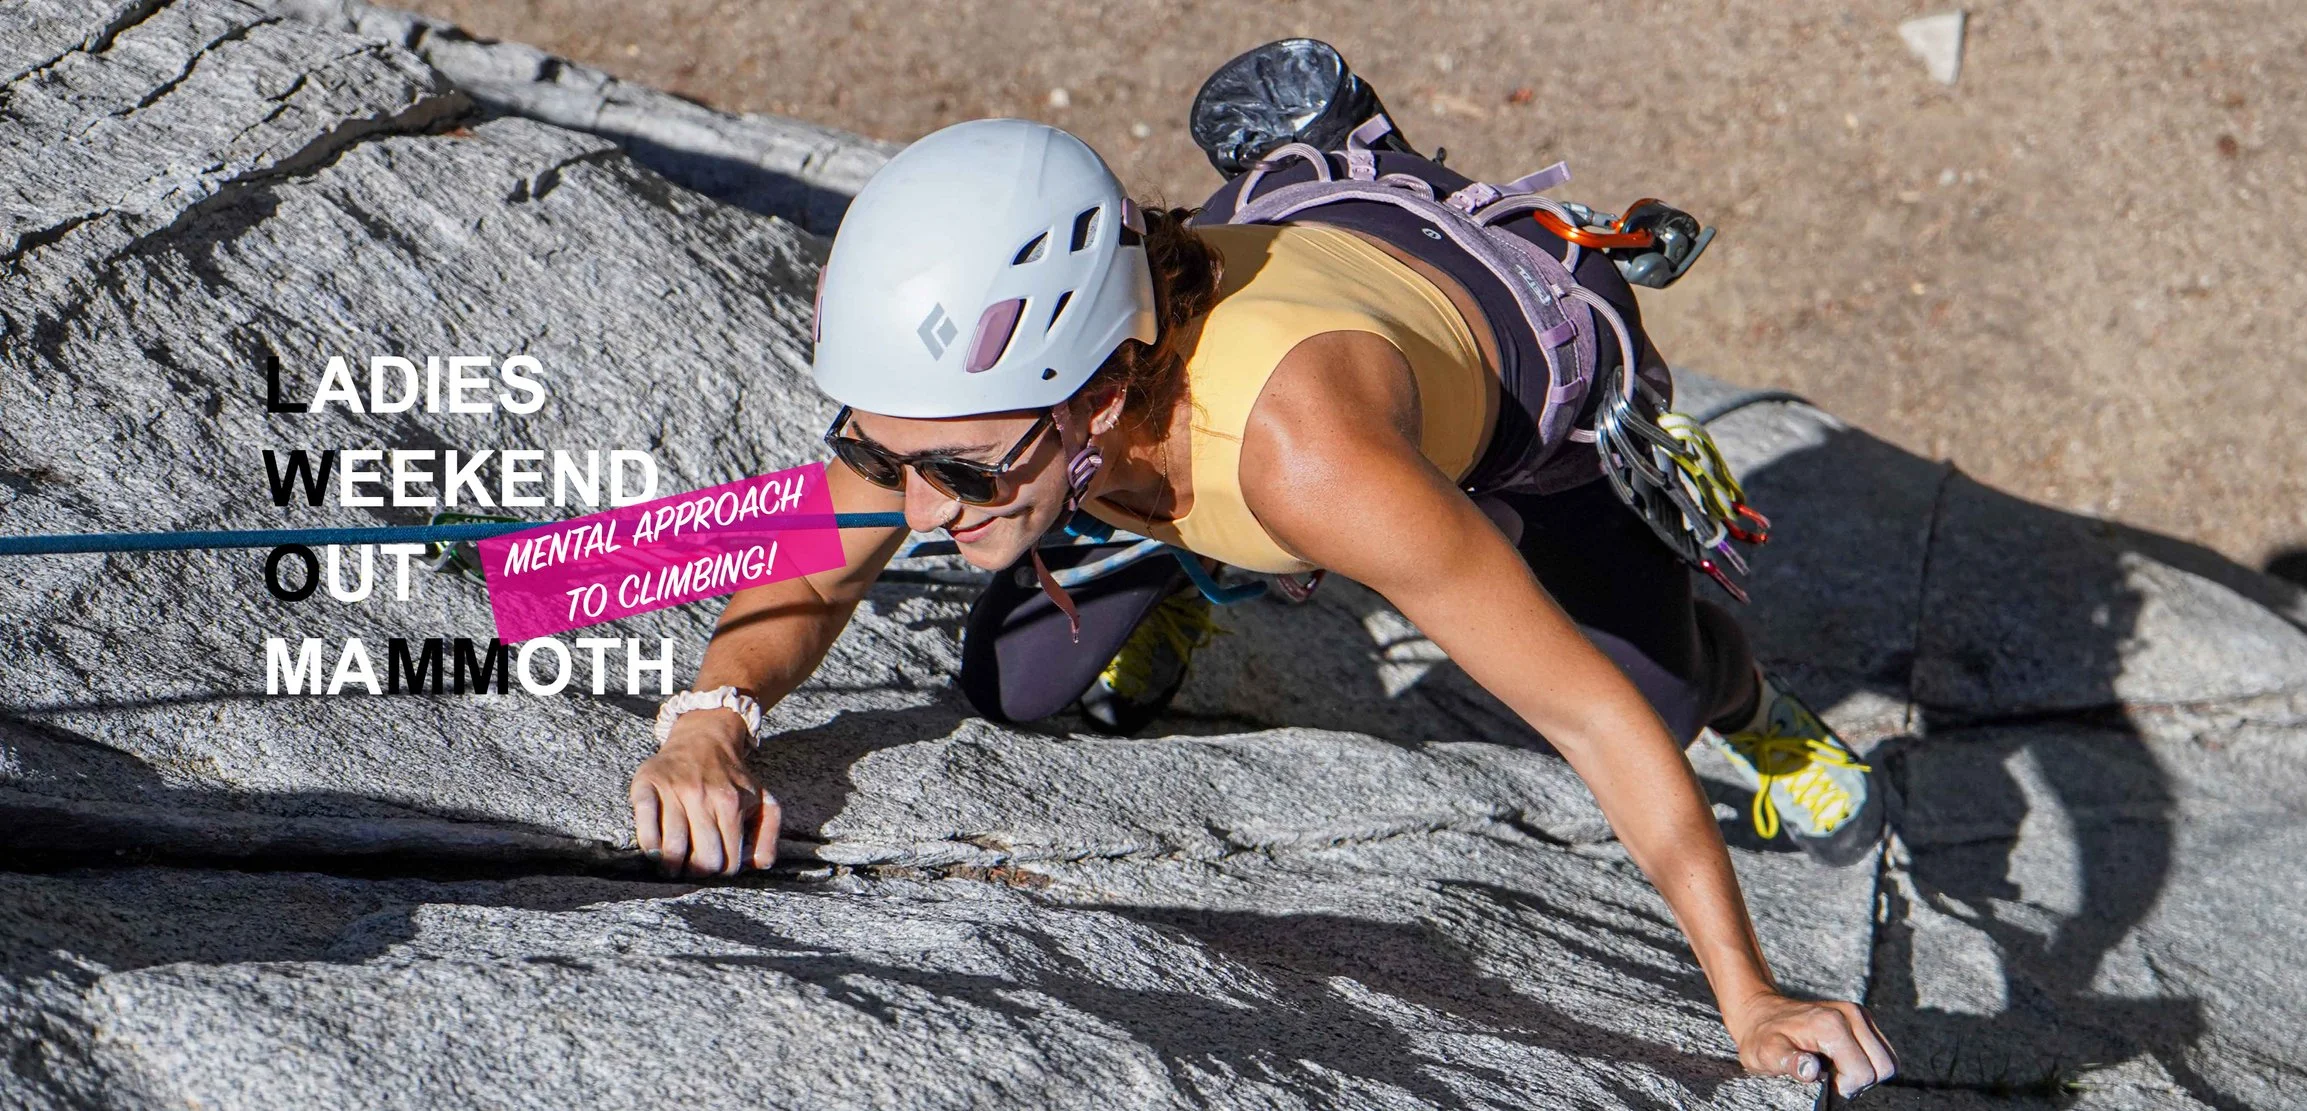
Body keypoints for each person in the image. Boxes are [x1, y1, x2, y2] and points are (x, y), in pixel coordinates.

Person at [628, 117, 1897, 1096]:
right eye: (885, 454)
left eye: (958, 473)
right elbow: (805, 560)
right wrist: (708, 722)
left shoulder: (1312, 460)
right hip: (1181, 420)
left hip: (1506, 402)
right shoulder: (987, 406)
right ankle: (1196, 560)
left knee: (1658, 696)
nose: (912, 509)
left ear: (1102, 398)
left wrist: (1749, 996)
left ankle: (1750, 698)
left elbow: (1590, 721)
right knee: (1013, 681)